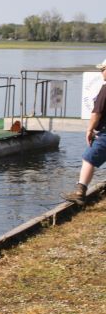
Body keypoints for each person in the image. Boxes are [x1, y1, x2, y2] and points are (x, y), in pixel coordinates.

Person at [62, 58, 106, 205]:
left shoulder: (105, 89)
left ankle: (80, 192)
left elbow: (96, 113)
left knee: (89, 158)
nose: (101, 72)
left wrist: (89, 129)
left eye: (103, 69)